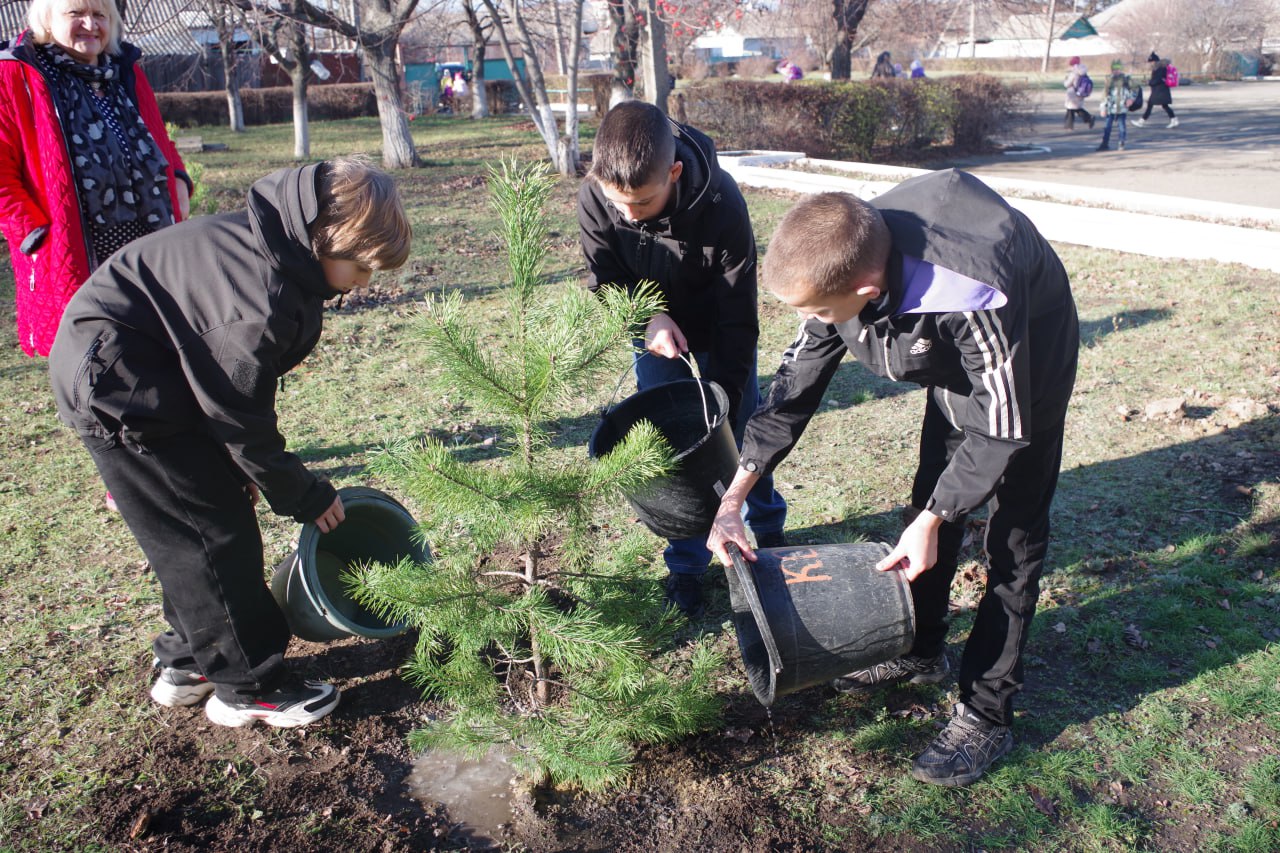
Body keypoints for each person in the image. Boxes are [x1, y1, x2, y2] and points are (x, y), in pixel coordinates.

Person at [708, 170, 1078, 787]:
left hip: (1024, 372)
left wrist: (938, 517)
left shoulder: (971, 290)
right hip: (954, 364)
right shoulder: (837, 261)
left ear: (866, 288)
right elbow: (793, 389)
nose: (815, 321)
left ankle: (987, 712)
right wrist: (735, 498)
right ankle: (921, 649)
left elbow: (1000, 427)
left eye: (820, 310)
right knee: (927, 508)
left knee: (1011, 543)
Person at [48, 157, 413, 728]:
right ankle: (249, 687)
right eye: (361, 266)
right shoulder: (258, 298)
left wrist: (240, 469)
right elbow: (239, 418)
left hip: (161, 371)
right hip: (122, 390)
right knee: (211, 534)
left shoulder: (279, 244)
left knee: (198, 526)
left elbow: (228, 393)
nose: (365, 282)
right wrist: (304, 493)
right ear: (327, 240)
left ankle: (188, 662)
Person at [577, 100, 788, 618]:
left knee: (738, 436)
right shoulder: (596, 195)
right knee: (673, 455)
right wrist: (647, 317)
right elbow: (605, 280)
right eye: (618, 203)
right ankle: (687, 566)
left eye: (642, 202)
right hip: (656, 338)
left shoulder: (722, 205)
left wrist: (724, 403)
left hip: (719, 332)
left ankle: (768, 536)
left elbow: (739, 317)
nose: (628, 214)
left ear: (673, 173)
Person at [0, 0, 191, 359]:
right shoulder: (17, 73)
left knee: (158, 352)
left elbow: (157, 137)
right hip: (71, 247)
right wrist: (33, 233)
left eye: (100, 15)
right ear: (47, 19)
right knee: (93, 360)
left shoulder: (124, 70)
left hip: (148, 241)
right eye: (76, 14)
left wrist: (178, 179)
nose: (90, 24)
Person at [1133, 52, 1178, 128]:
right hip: (1160, 90)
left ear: (1155, 61)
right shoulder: (1160, 67)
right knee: (1164, 105)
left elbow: (1157, 79)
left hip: (1160, 91)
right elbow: (1157, 79)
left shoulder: (1160, 68)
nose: (1151, 63)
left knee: (1152, 105)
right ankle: (1174, 119)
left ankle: (1141, 121)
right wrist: (1150, 82)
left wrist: (1149, 82)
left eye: (1151, 62)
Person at [1097, 59, 1133, 151]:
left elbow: (1134, 90)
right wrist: (1103, 107)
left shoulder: (1126, 79)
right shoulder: (1109, 80)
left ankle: (1121, 142)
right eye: (1114, 69)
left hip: (1122, 107)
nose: (1116, 71)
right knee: (1107, 127)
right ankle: (1105, 143)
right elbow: (1104, 94)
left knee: (1122, 126)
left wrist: (1130, 99)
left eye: (1118, 69)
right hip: (1110, 107)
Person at [1062, 56, 1095, 130]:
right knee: (1076, 108)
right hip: (1080, 93)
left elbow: (1067, 84)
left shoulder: (1074, 73)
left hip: (1072, 94)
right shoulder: (1083, 72)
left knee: (1071, 109)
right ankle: (1088, 118)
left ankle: (1069, 126)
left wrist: (1065, 80)